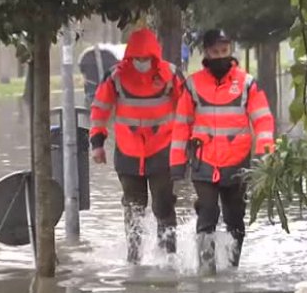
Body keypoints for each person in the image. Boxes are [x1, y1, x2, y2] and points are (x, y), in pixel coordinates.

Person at [170, 29, 275, 274]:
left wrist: (264, 153)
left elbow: (263, 120)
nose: (220, 56)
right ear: (206, 52)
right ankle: (207, 271)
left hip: (237, 163)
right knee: (207, 212)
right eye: (215, 52)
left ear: (231, 50)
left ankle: (231, 268)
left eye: (224, 51)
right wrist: (177, 164)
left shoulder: (247, 83)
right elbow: (181, 124)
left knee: (235, 218)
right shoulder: (193, 85)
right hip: (203, 161)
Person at [89, 28, 184, 264]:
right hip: (128, 153)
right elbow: (100, 109)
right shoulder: (115, 77)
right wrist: (97, 143)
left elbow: (186, 109)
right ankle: (134, 259)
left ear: (155, 56)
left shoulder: (170, 74)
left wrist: (187, 145)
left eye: (146, 58)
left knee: (163, 205)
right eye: (138, 58)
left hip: (162, 151)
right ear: (130, 57)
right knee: (133, 208)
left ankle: (168, 257)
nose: (142, 63)